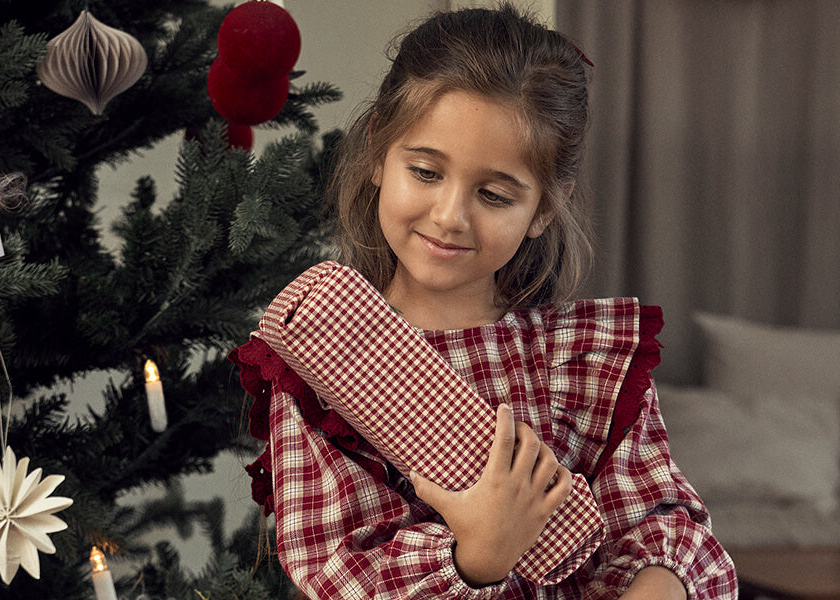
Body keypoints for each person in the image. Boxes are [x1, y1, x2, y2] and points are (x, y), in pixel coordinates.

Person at [230, 5, 737, 599]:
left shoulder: (586, 362)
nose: (450, 217)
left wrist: (657, 585)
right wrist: (477, 555)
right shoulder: (325, 360)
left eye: (494, 194)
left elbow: (662, 527)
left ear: (545, 207)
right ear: (377, 155)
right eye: (425, 172)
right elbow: (336, 571)